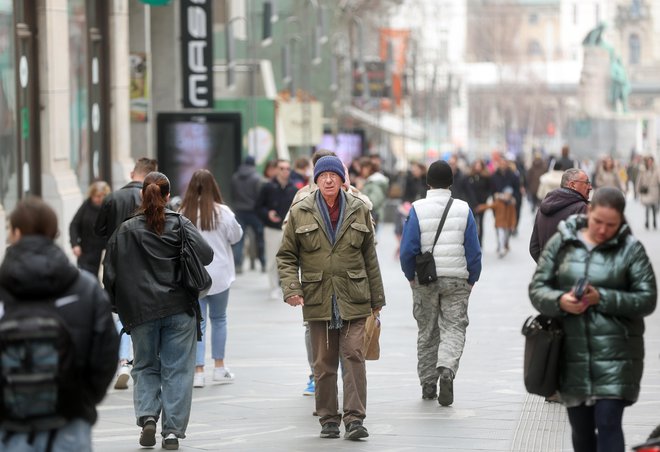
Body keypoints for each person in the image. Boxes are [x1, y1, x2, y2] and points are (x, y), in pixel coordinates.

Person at [529, 187, 657, 452]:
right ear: (589, 211)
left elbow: (647, 299)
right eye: (597, 221)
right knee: (582, 431)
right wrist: (560, 301)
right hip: (571, 354)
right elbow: (537, 288)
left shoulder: (631, 250)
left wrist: (603, 298)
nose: (602, 230)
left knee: (609, 421)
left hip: (617, 354)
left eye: (610, 225)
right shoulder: (563, 242)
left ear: (621, 220)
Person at [277, 155, 385, 440]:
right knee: (323, 363)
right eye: (322, 175)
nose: (328, 180)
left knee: (353, 356)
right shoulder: (301, 211)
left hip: (354, 295)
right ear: (315, 180)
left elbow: (369, 257)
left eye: (333, 175)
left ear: (342, 179)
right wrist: (291, 288)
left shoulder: (359, 209)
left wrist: (377, 299)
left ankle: (354, 419)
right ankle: (328, 418)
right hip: (318, 296)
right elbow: (286, 256)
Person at [102, 172, 213, 450]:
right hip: (178, 307)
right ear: (167, 196)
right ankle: (172, 432)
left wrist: (118, 306)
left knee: (145, 366)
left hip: (140, 312)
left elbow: (109, 274)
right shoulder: (180, 223)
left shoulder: (124, 230)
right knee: (177, 370)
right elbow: (207, 255)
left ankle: (148, 416)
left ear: (143, 196)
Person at [0, 197, 119, 451]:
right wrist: (84, 399)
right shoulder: (85, 287)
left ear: (17, 232)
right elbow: (106, 353)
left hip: (9, 425)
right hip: (69, 421)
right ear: (53, 233)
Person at [399, 160, 482, 406]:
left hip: (425, 280)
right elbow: (473, 250)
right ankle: (446, 367)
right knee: (454, 327)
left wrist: (410, 276)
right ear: (451, 183)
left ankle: (427, 384)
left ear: (427, 182)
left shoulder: (416, 208)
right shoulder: (464, 209)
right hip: (457, 279)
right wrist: (472, 278)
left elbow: (408, 250)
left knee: (427, 332)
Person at [94, 157, 158, 390]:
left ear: (133, 173)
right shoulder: (152, 199)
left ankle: (123, 361)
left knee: (120, 312)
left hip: (116, 263)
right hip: (146, 263)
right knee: (146, 313)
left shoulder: (112, 198)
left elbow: (98, 230)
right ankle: (141, 361)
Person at [180, 169, 243, 388]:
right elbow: (236, 236)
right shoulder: (222, 212)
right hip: (220, 274)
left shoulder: (183, 212)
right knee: (219, 319)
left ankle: (198, 371)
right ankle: (219, 367)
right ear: (212, 186)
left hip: (193, 276)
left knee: (198, 323)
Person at [255, 159, 298, 300]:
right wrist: (267, 213)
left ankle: (285, 286)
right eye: (282, 168)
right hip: (272, 229)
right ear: (276, 170)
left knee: (289, 259)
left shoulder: (294, 189)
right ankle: (273, 287)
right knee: (272, 260)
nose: (285, 171)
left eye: (287, 168)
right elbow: (258, 207)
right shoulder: (268, 187)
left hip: (289, 229)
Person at [529, 168, 591, 263]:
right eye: (586, 182)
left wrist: (548, 267)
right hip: (570, 273)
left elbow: (534, 248)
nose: (590, 187)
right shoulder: (582, 208)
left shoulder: (543, 207)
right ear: (572, 185)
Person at [230, 156, 265, 273]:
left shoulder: (235, 177)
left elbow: (233, 194)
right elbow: (259, 196)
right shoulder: (257, 178)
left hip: (239, 211)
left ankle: (238, 265)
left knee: (239, 239)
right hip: (254, 212)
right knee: (260, 238)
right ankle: (263, 263)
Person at [69, 180, 111, 276]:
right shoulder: (86, 205)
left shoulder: (109, 206)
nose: (100, 199)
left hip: (102, 247)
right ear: (91, 196)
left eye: (103, 196)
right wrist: (75, 244)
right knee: (87, 275)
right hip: (86, 248)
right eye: (97, 196)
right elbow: (74, 224)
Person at [635, 156, 660, 230]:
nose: (650, 163)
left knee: (654, 207)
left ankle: (654, 221)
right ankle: (647, 222)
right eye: (648, 161)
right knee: (647, 207)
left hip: (654, 191)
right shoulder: (643, 170)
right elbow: (639, 180)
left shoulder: (657, 170)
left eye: (651, 161)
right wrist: (637, 189)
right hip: (646, 190)